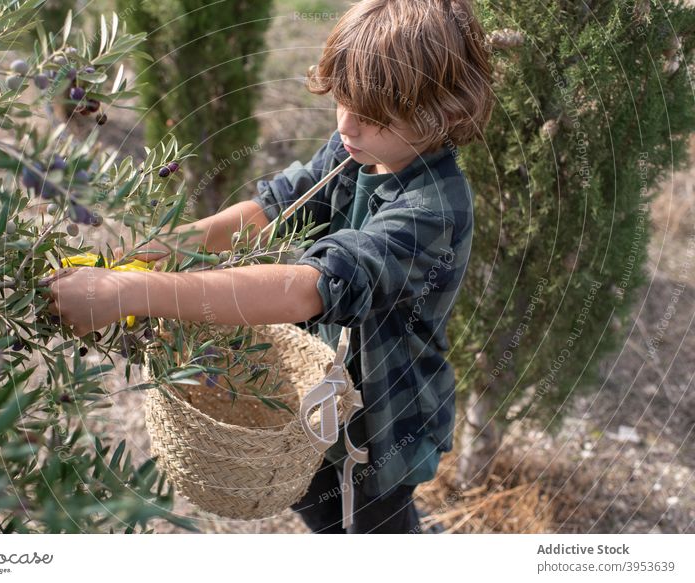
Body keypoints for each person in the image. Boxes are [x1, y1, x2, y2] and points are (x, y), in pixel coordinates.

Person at [41, 0, 493, 533]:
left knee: (368, 527)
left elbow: (310, 289)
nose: (347, 124)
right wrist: (151, 253)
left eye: (372, 115)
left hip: (381, 430)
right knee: (319, 508)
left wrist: (134, 293)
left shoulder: (433, 209)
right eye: (342, 101)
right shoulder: (358, 151)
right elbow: (272, 209)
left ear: (445, 113)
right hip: (318, 403)